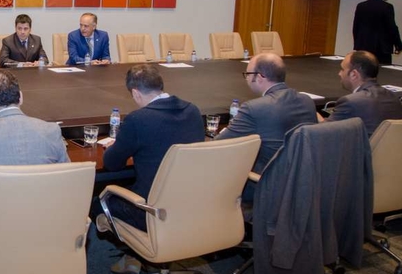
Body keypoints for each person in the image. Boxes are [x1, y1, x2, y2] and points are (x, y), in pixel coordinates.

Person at [102, 65, 204, 232]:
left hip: (149, 209)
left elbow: (112, 164)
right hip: (189, 202)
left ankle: (122, 253)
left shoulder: (138, 119)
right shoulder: (192, 110)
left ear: (135, 93)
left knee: (98, 203)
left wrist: (117, 145)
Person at [216, 53, 317, 199]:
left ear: (260, 76)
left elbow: (219, 144)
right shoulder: (306, 101)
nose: (247, 79)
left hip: (265, 184)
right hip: (302, 182)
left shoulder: (254, 108)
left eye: (248, 74)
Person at [318, 50, 402, 137]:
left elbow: (322, 132)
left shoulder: (350, 102)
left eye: (342, 69)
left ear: (354, 74)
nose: (339, 73)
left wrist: (314, 114)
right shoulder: (394, 98)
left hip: (361, 150)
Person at [353, 0, 402, 65]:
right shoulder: (387, 7)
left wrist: (358, 44)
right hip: (381, 49)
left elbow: (355, 27)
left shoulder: (361, 6)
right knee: (382, 74)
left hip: (362, 47)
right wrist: (398, 45)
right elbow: (392, 28)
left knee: (363, 73)